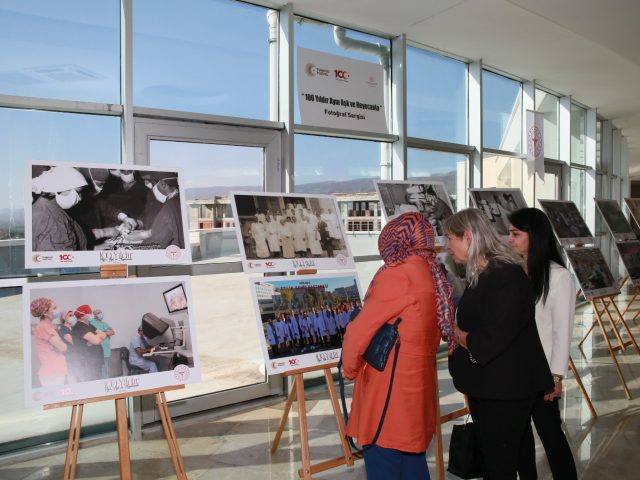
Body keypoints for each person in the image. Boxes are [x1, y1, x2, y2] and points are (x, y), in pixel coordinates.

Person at [341, 212, 456, 480]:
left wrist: (350, 369)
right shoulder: (432, 273)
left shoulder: (398, 275)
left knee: (384, 460)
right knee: (412, 462)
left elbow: (360, 331)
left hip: (388, 393)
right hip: (417, 391)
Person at [444, 208, 553, 479]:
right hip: (491, 387)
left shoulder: (506, 276)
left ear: (468, 237)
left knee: (499, 467)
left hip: (506, 391)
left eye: (450, 238)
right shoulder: (482, 274)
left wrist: (455, 334)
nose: (446, 245)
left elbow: (489, 340)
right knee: (500, 460)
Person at [507, 208, 578, 480]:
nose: (509, 239)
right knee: (520, 441)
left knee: (551, 438)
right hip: (514, 372)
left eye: (515, 233)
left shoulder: (558, 276)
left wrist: (556, 376)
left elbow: (563, 331)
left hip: (542, 374)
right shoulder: (514, 271)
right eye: (509, 233)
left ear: (534, 236)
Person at [31, 166, 88, 251]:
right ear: (61, 189)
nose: (80, 198)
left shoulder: (49, 205)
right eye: (78, 192)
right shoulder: (49, 218)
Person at [29, 298, 68, 387]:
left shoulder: (48, 326)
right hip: (52, 372)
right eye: (54, 308)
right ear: (45, 312)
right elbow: (63, 347)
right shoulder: (43, 327)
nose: (58, 310)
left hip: (55, 370)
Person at [71, 305, 107, 382]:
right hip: (87, 364)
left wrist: (94, 339)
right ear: (82, 316)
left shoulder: (89, 325)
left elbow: (104, 335)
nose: (92, 315)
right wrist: (95, 338)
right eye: (89, 313)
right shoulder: (79, 327)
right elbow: (97, 340)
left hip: (95, 361)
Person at [90, 308, 116, 379]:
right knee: (102, 369)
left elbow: (113, 332)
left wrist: (104, 333)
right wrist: (107, 332)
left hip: (107, 349)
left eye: (101, 312)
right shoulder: (92, 323)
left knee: (106, 368)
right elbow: (97, 334)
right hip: (100, 349)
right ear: (94, 315)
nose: (100, 314)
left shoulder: (104, 323)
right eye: (98, 313)